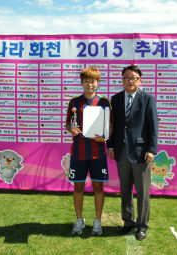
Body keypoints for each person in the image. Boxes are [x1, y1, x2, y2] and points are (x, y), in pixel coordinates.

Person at [107, 65, 158, 241]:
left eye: (134, 77)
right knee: (125, 190)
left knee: (143, 192)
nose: (130, 80)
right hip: (121, 152)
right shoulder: (116, 99)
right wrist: (111, 146)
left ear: (140, 80)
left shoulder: (148, 99)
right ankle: (128, 222)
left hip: (141, 153)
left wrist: (152, 150)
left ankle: (142, 226)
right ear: (122, 80)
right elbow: (112, 126)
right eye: (127, 77)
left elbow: (153, 127)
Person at [65, 67, 111, 236]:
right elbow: (68, 124)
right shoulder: (74, 102)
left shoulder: (104, 102)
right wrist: (72, 130)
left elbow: (109, 125)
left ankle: (97, 221)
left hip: (98, 153)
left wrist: (105, 137)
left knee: (98, 187)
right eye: (86, 81)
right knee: (78, 187)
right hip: (78, 153)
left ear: (97, 83)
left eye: (93, 81)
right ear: (82, 83)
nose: (90, 84)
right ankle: (79, 220)